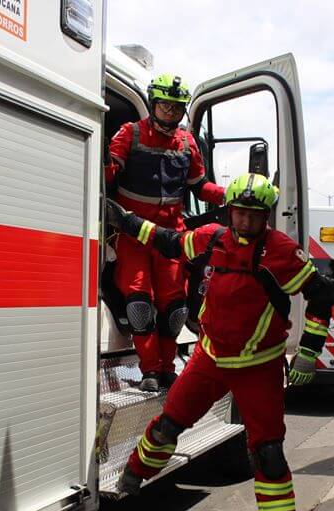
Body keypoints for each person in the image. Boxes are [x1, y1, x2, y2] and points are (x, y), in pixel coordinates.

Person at [107, 173, 334, 511]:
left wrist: (309, 350)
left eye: (254, 215)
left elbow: (323, 293)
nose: (245, 222)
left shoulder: (282, 252)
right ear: (229, 210)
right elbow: (170, 242)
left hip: (260, 366)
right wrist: (125, 222)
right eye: (239, 213)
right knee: (166, 427)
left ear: (266, 216)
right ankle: (134, 475)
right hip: (209, 358)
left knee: (268, 455)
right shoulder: (214, 238)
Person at [106, 73, 226, 391]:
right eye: (165, 107)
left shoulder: (187, 143)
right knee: (140, 302)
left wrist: (229, 196)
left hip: (172, 237)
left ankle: (167, 370)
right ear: (152, 104)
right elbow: (108, 171)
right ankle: (150, 371)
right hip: (133, 232)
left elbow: (200, 187)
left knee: (175, 309)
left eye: (176, 108)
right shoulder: (129, 134)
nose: (170, 114)